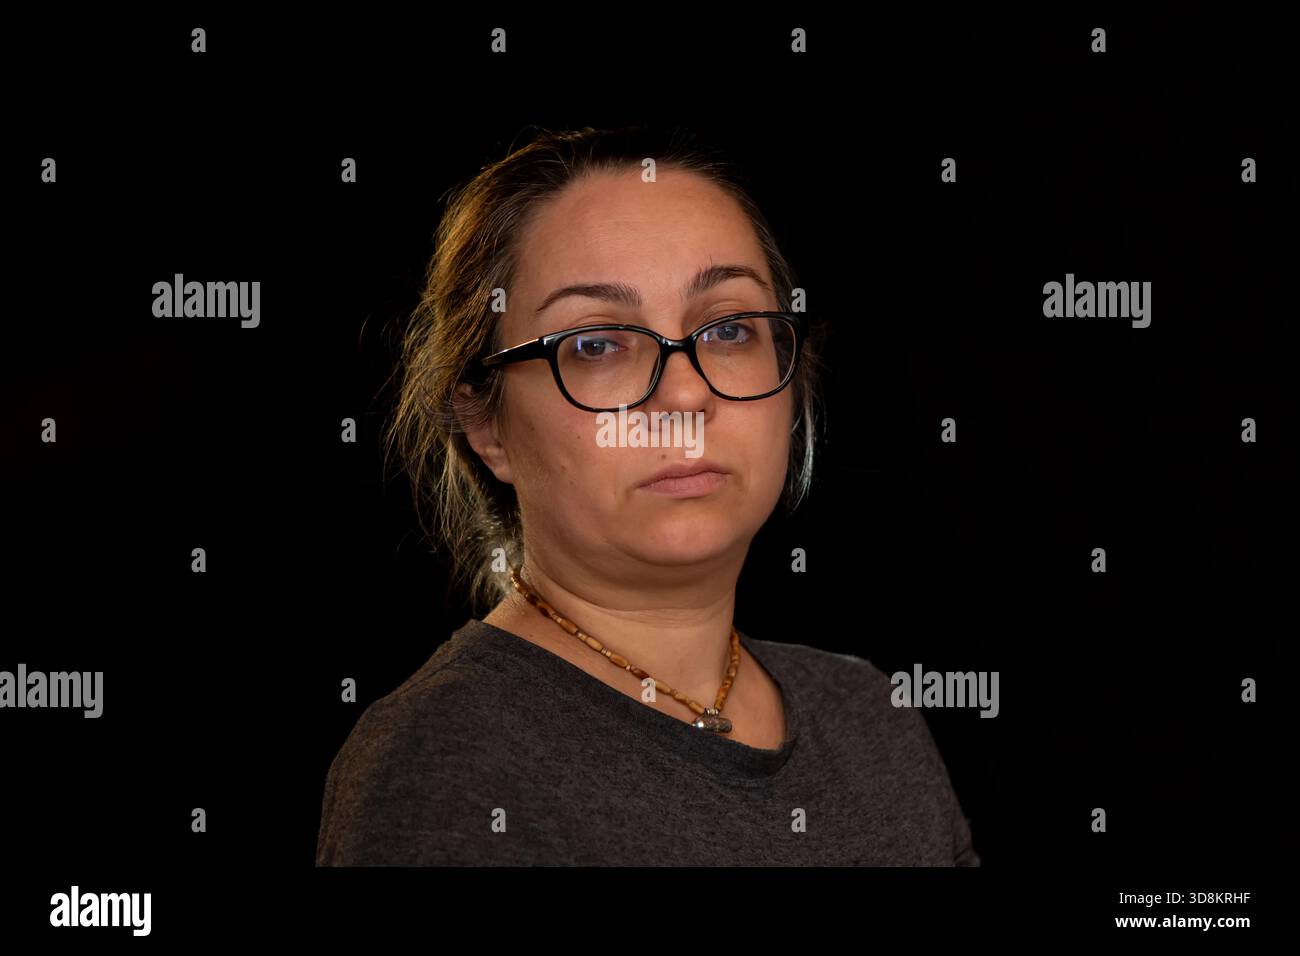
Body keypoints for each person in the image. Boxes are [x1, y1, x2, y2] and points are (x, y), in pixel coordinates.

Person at [315, 123, 980, 866]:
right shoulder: (447, 764)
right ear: (486, 423)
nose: (687, 392)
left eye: (729, 328)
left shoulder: (868, 714)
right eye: (597, 344)